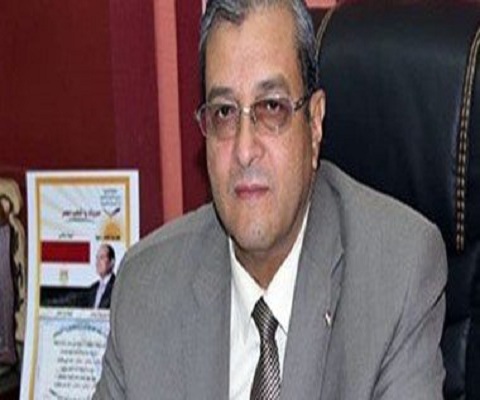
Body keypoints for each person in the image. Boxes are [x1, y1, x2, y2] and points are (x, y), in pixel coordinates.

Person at [94, 0, 447, 399]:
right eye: (224, 113)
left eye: (272, 107)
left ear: (314, 123)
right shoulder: (145, 288)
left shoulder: (397, 274)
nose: (245, 150)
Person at [84, 244, 116, 309]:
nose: (97, 262)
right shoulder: (93, 288)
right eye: (97, 258)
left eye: (101, 258)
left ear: (112, 262)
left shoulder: (117, 286)